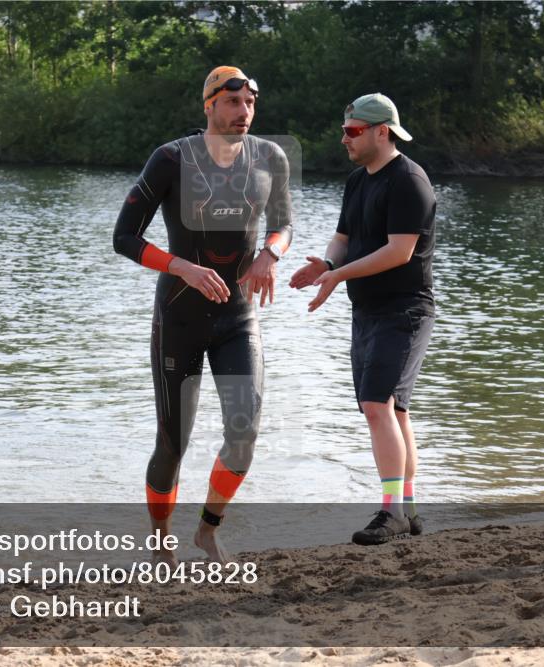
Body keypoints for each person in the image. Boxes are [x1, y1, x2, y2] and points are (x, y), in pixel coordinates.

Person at [113, 66, 292, 563]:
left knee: (244, 431)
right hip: (179, 319)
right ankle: (160, 539)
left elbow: (283, 225)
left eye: (250, 104)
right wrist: (182, 268)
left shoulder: (269, 158)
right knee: (173, 443)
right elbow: (124, 236)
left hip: (238, 319)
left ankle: (208, 530)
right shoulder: (171, 159)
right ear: (209, 105)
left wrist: (271, 255)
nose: (244, 113)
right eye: (233, 103)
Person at [290, 93, 435, 545]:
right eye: (344, 130)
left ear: (381, 132)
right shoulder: (357, 181)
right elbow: (343, 238)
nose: (344, 139)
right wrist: (328, 267)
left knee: (377, 405)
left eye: (352, 131)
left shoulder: (409, 180)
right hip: (368, 310)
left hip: (405, 309)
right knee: (393, 410)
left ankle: (391, 511)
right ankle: (407, 510)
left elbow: (400, 251)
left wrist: (340, 276)